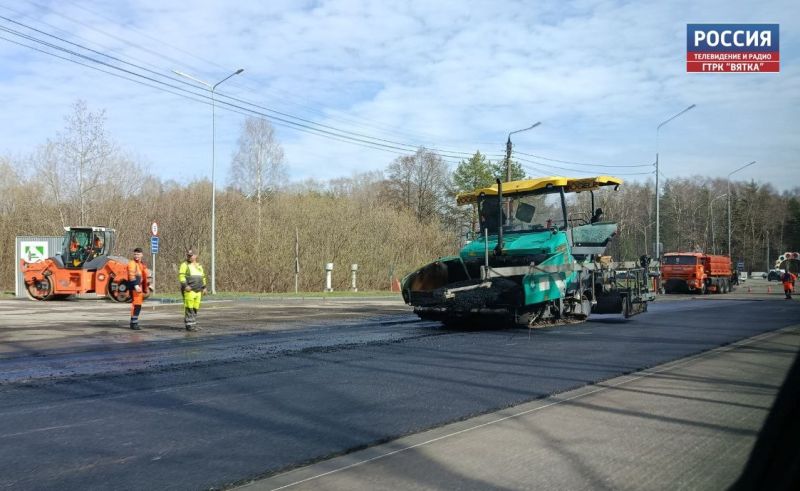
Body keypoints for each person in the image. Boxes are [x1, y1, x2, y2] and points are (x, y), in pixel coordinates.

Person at [178, 249, 207, 331]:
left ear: (195, 256)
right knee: (189, 307)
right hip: (189, 290)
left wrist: (204, 287)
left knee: (195, 307)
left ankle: (193, 324)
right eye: (188, 255)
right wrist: (185, 285)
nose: (189, 257)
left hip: (198, 290)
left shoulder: (199, 265)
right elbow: (181, 276)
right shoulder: (184, 265)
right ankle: (189, 325)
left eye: (191, 255)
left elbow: (203, 277)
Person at [127, 247, 149, 330]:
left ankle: (134, 322)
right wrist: (135, 285)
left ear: (142, 255)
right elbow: (131, 275)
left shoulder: (141, 264)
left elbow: (144, 275)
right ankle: (134, 323)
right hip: (135, 287)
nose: (136, 256)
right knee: (136, 305)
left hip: (139, 287)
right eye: (135, 254)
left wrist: (147, 286)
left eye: (138, 254)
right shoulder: (132, 263)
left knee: (138, 305)